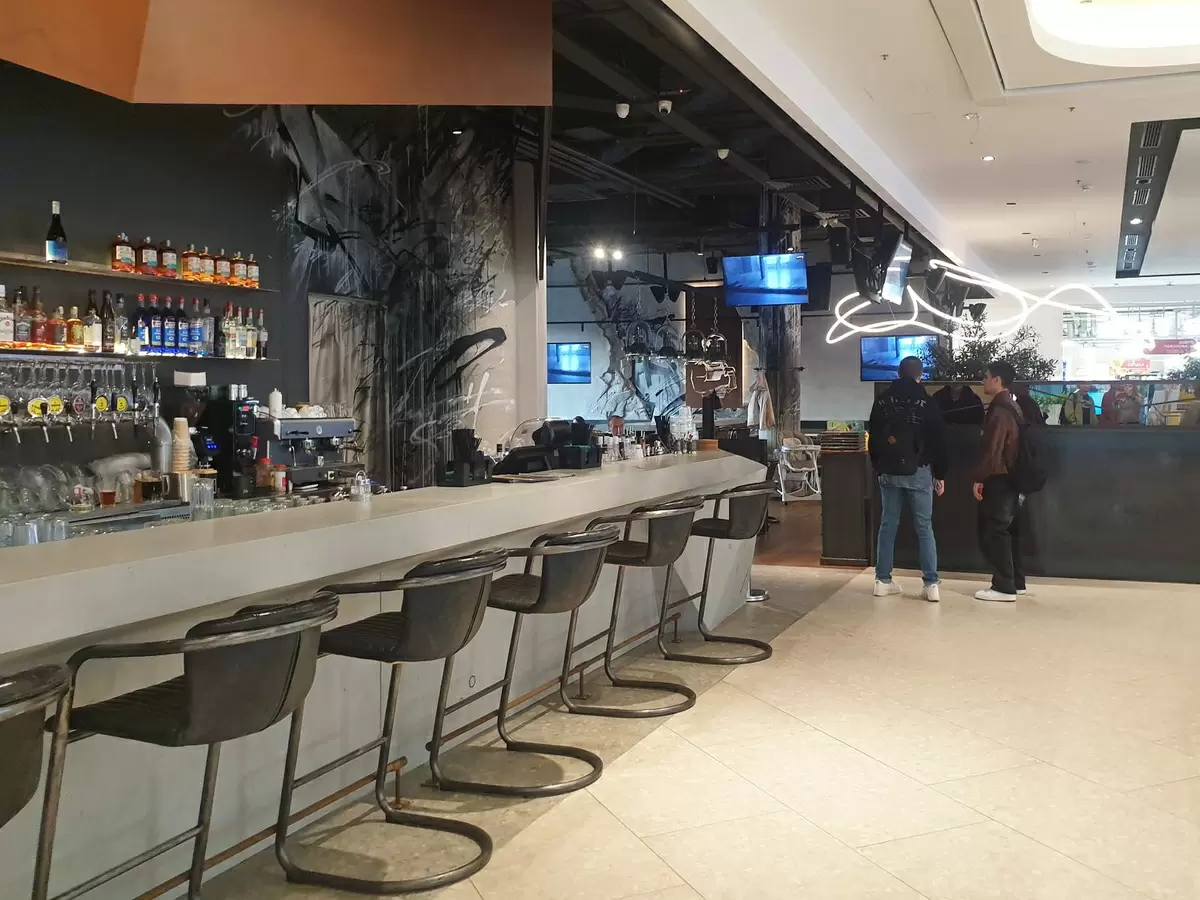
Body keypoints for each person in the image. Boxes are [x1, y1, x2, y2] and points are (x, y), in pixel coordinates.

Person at [867, 355, 947, 602]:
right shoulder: (927, 402)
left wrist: (878, 466)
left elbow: (874, 436)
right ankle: (931, 584)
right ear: (920, 375)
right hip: (919, 471)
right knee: (924, 527)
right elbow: (939, 440)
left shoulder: (882, 401)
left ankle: (882, 581)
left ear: (898, 374)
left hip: (888, 471)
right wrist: (940, 474)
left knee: (888, 525)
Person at [973, 360, 1026, 602]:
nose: (983, 381)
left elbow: (993, 449)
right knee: (1009, 531)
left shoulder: (999, 410)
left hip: (999, 478)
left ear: (997, 380)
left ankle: (1003, 586)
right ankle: (1016, 581)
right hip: (1013, 476)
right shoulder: (1013, 406)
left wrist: (979, 478)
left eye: (985, 377)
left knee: (995, 531)